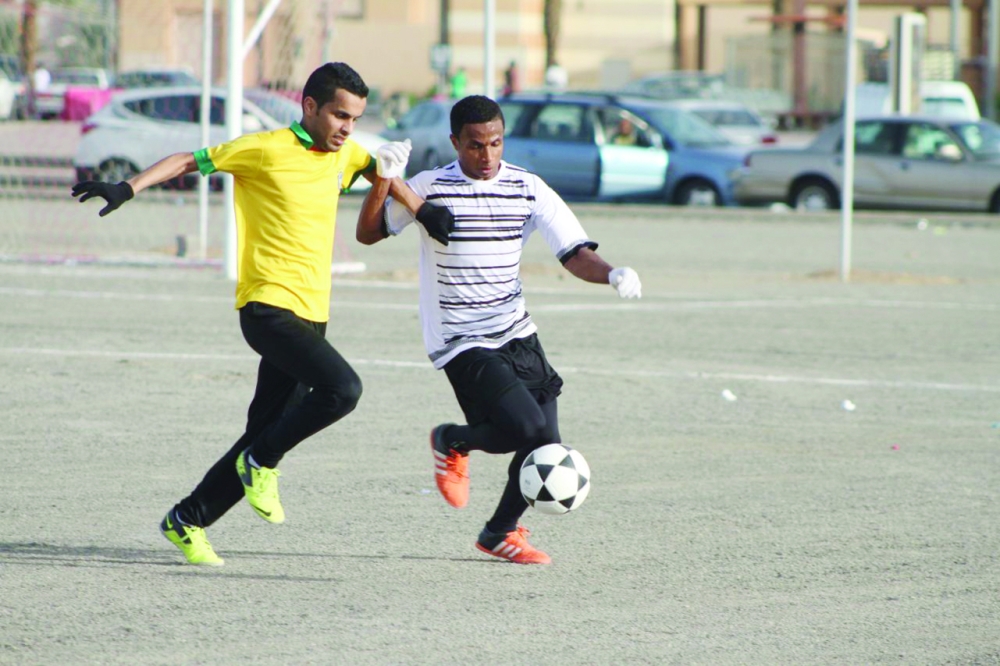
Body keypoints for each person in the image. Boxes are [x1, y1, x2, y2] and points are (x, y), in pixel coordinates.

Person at [70, 62, 452, 566]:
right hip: (268, 307)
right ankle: (262, 462)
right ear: (310, 106)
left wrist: (422, 210)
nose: (347, 128)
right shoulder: (265, 148)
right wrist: (128, 187)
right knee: (343, 390)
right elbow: (188, 160)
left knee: (265, 429)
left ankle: (187, 519)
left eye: (355, 119)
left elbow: (378, 171)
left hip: (313, 313)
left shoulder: (344, 152)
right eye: (340, 115)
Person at [355, 95, 642, 565]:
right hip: (460, 338)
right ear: (455, 142)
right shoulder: (428, 186)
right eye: (474, 145)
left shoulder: (527, 187)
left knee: (544, 444)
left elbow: (573, 252)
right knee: (522, 427)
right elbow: (369, 233)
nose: (486, 155)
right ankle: (452, 440)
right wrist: (385, 178)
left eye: (495, 143)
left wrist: (611, 273)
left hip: (516, 330)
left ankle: (498, 532)